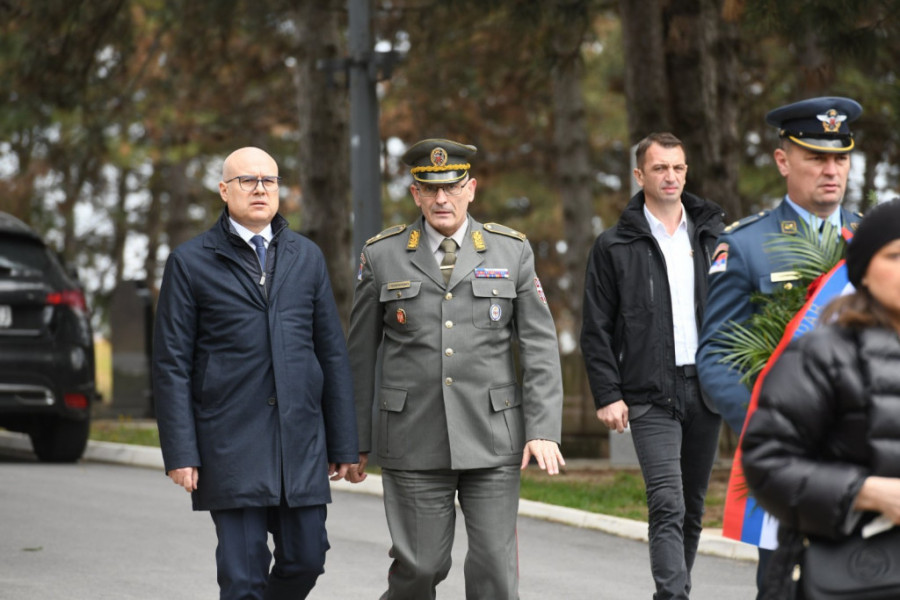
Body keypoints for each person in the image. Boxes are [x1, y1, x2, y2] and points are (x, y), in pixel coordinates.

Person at [345, 138, 565, 600]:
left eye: (452, 187)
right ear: (415, 194)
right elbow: (359, 355)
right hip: (412, 436)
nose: (441, 198)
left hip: (492, 436)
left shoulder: (511, 251)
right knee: (420, 567)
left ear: (471, 189)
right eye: (430, 188)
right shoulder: (382, 255)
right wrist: (354, 439)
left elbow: (540, 346)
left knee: (494, 570)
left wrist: (543, 429)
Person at [152, 146, 358, 600]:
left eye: (269, 180)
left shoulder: (307, 256)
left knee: (307, 559)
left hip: (300, 443)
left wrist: (344, 442)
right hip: (230, 445)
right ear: (224, 191)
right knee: (243, 578)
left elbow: (331, 352)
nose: (260, 189)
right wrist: (181, 451)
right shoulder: (190, 261)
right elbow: (171, 364)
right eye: (247, 180)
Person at [696, 96, 863, 594]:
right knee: (787, 585)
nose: (831, 171)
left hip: (869, 451)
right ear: (783, 161)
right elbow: (717, 356)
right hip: (794, 456)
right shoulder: (746, 246)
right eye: (816, 158)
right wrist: (769, 425)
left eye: (840, 158)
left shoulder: (874, 242)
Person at [581, 132, 725, 599]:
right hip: (649, 393)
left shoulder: (713, 238)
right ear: (639, 175)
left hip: (706, 389)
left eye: (678, 168)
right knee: (667, 501)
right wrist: (608, 394)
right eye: (660, 168)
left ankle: (672, 593)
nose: (671, 176)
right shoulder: (613, 245)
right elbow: (596, 328)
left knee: (693, 508)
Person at [741, 198, 900, 598]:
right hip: (856, 577)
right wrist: (867, 492)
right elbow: (767, 463)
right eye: (895, 256)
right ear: (864, 271)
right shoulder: (822, 355)